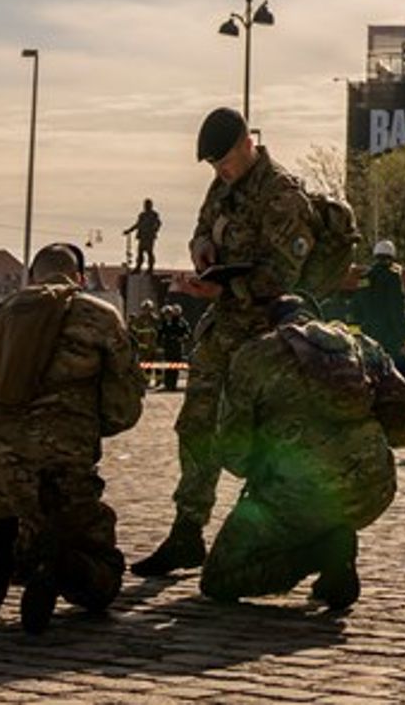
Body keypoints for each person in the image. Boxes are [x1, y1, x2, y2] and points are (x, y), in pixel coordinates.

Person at [133, 107, 316, 578]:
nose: (220, 173)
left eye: (224, 163)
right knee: (195, 425)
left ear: (245, 145)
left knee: (264, 440)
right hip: (223, 330)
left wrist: (226, 289)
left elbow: (285, 275)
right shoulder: (222, 188)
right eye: (214, 167)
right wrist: (201, 250)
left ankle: (287, 538)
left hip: (267, 337)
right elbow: (202, 227)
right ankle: (186, 532)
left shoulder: (281, 193)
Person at [0, 243, 143, 633]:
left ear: (32, 277)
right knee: (103, 582)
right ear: (79, 279)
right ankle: (55, 562)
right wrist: (86, 430)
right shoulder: (100, 317)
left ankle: (0, 554)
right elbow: (124, 404)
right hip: (59, 471)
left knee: (3, 501)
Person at [202, 282, 405, 612]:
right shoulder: (364, 348)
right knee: (314, 514)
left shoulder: (257, 354)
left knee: (218, 580)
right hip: (369, 489)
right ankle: (331, 563)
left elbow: (233, 450)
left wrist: (265, 471)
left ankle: (322, 551)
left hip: (297, 493)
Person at [350, 240, 405, 372]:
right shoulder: (393, 277)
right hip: (390, 339)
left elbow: (356, 309)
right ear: (392, 256)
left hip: (368, 336)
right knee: (399, 374)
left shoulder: (364, 278)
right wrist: (402, 339)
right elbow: (397, 310)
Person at [127, 199, 162, 273]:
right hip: (142, 236)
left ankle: (150, 268)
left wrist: (154, 229)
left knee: (149, 252)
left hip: (149, 237)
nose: (146, 206)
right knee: (140, 252)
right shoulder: (142, 215)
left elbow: (158, 224)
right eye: (145, 205)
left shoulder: (154, 215)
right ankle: (138, 267)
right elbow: (138, 225)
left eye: (147, 205)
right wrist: (129, 230)